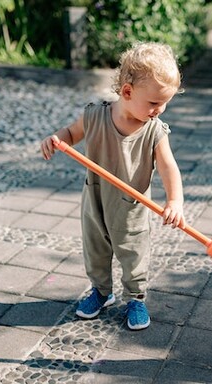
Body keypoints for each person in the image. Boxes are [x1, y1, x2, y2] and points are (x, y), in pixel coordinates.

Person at [40, 42, 185, 330]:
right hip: (95, 199)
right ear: (127, 92)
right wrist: (56, 140)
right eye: (154, 103)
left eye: (164, 102)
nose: (160, 110)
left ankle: (135, 298)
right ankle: (101, 292)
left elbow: (169, 167)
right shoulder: (95, 116)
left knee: (133, 253)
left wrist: (175, 201)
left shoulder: (154, 130)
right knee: (95, 249)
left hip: (131, 208)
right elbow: (70, 133)